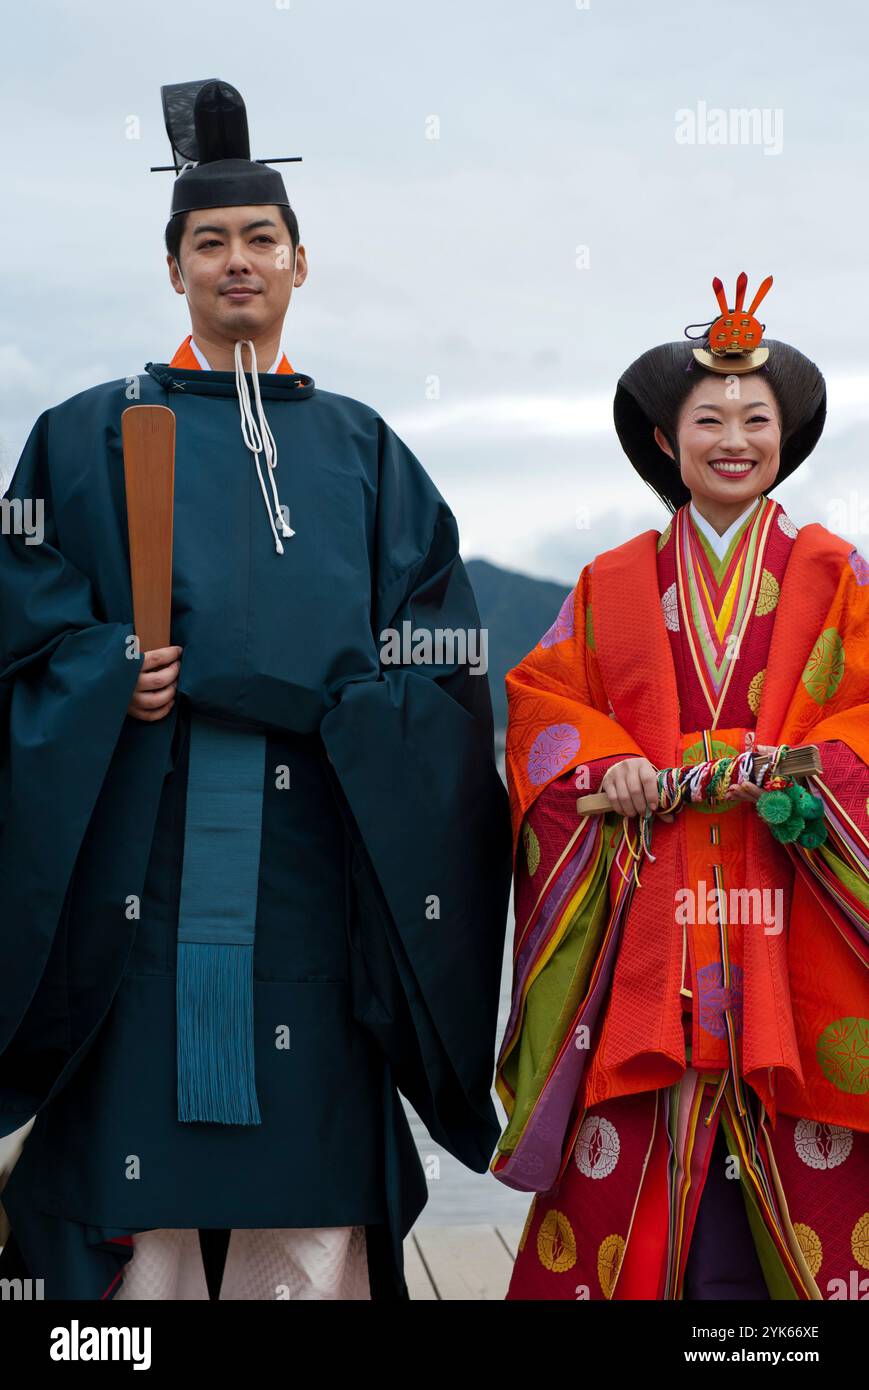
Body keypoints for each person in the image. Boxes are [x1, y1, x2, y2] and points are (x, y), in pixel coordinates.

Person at [0, 78, 511, 1300]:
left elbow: (441, 656)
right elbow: (22, 612)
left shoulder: (366, 449)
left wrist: (354, 714)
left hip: (316, 872)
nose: (238, 263)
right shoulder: (80, 437)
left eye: (260, 241)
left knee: (310, 1198)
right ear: (171, 266)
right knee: (139, 1203)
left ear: (299, 264)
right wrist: (103, 674)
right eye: (210, 243)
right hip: (142, 864)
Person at [493, 273, 868, 1300]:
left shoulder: (836, 576)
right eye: (707, 418)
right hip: (650, 911)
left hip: (789, 906)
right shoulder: (608, 582)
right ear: (665, 440)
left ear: (784, 440)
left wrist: (816, 777)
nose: (732, 437)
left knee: (811, 1175)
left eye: (756, 417)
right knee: (636, 1174)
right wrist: (601, 760)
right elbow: (539, 700)